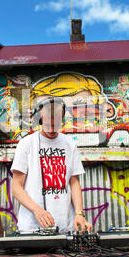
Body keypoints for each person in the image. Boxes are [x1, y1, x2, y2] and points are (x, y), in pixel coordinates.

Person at [11, 96, 92, 234]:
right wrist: (37, 210)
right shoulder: (26, 144)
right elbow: (16, 187)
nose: (53, 127)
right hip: (32, 228)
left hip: (65, 227)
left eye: (57, 122)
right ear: (40, 119)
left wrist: (79, 213)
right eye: (48, 122)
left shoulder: (69, 144)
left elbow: (74, 182)